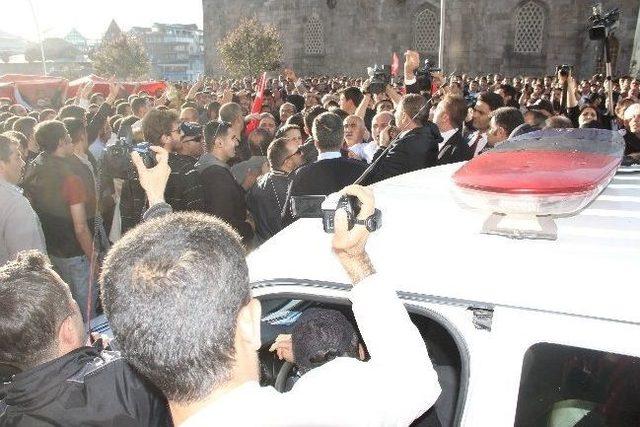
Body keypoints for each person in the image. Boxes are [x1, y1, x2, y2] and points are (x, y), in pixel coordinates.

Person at [99, 170, 441, 425]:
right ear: (249, 323)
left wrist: (158, 201)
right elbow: (415, 381)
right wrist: (354, 259)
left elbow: (165, 287)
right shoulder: (324, 409)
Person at [0, 251, 171, 426]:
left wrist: (90, 357)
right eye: (71, 299)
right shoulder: (131, 378)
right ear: (68, 330)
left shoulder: (7, 416)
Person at [23, 121, 99, 321]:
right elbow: (81, 227)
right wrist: (94, 259)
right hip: (75, 255)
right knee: (86, 315)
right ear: (61, 141)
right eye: (67, 135)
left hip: (52, 251)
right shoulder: (71, 178)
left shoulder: (35, 168)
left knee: (65, 313)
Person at [283, 112, 367, 222]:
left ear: (316, 143)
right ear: (342, 140)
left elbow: (288, 220)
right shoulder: (362, 170)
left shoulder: (302, 175)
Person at [195, 121, 254, 245]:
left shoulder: (210, 168)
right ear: (219, 143)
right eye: (232, 138)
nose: (237, 143)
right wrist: (248, 227)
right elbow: (222, 224)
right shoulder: (216, 174)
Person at [367, 94, 442, 183]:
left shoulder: (404, 146)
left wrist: (383, 146)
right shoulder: (428, 135)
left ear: (403, 117)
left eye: (397, 111)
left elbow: (372, 176)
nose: (394, 115)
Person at [247, 137, 305, 244]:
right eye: (298, 152)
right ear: (287, 162)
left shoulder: (258, 183)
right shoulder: (294, 187)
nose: (302, 154)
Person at [0, 135, 45, 266]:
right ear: (1, 166)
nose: (23, 163)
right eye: (17, 157)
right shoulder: (16, 205)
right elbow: (27, 263)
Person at [433, 94, 473, 165]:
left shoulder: (460, 150)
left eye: (437, 109)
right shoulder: (430, 137)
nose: (433, 111)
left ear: (444, 117)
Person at [466, 91, 504, 156]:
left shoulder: (497, 147)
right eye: (475, 110)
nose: (474, 115)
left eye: (481, 113)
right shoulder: (466, 136)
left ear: (494, 116)